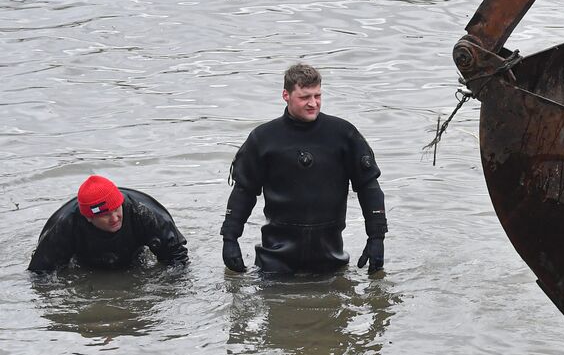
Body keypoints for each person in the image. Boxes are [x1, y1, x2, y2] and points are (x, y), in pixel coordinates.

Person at [221, 62, 387, 276]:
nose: (313, 103)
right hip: (275, 262)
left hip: (330, 260)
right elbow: (243, 192)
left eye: (317, 96)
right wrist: (230, 238)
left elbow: (369, 187)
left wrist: (376, 238)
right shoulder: (263, 138)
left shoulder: (343, 135)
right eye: (304, 97)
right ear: (286, 95)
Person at [28, 175, 188, 273]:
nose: (115, 218)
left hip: (134, 259)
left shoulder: (144, 212)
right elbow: (40, 272)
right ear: (88, 218)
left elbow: (177, 257)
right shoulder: (66, 225)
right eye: (105, 215)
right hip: (86, 264)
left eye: (116, 209)